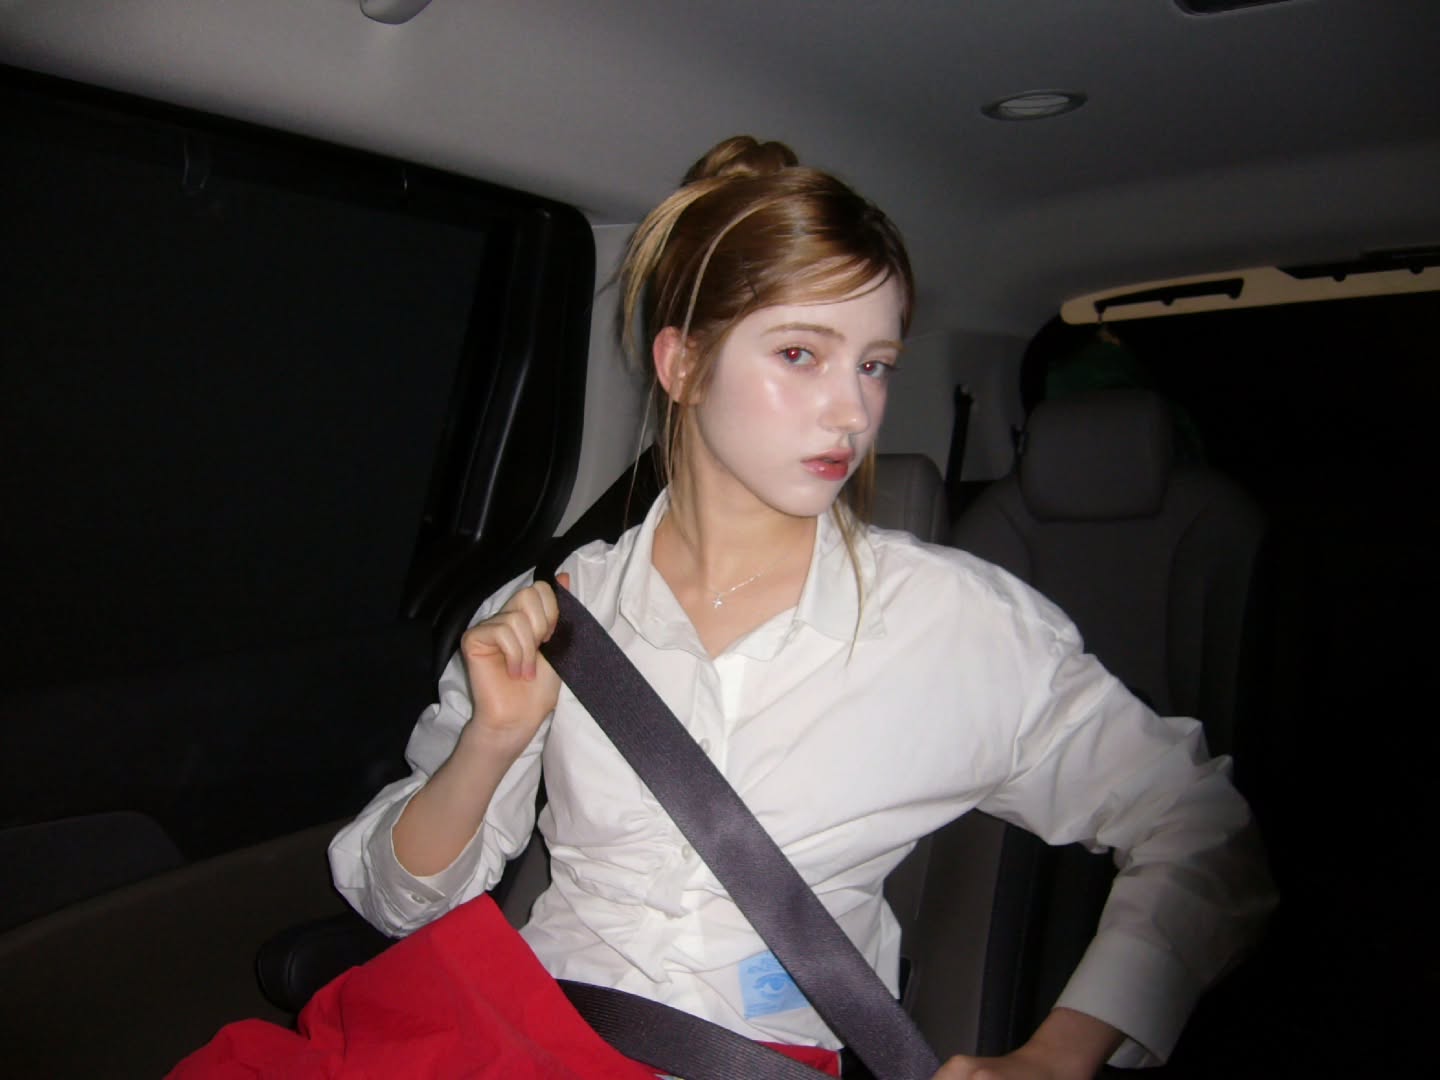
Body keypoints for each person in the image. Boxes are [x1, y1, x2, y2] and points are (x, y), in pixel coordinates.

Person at [329, 135, 1274, 1079]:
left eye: (875, 365)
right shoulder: (558, 607)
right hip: (512, 1040)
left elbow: (1201, 825)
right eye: (800, 354)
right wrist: (491, 742)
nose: (854, 413)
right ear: (683, 365)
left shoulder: (951, 622)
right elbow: (396, 900)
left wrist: (1057, 1056)